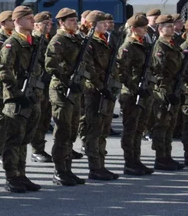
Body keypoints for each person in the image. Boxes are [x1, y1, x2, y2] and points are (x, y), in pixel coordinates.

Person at [0, 6, 43, 194]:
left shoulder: (32, 42)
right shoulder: (11, 44)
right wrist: (16, 93)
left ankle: (21, 174)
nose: (32, 21)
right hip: (17, 100)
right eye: (28, 18)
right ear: (17, 21)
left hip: (31, 97)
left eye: (32, 18)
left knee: (25, 139)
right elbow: (3, 71)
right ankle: (11, 176)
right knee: (13, 139)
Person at [44, 8, 90, 186]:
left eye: (75, 19)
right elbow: (51, 65)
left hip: (74, 89)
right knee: (62, 131)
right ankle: (59, 171)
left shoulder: (76, 39)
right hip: (62, 89)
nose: (75, 22)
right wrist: (67, 78)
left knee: (71, 131)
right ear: (61, 23)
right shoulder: (58, 40)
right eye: (70, 20)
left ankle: (68, 168)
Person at [78, 12, 120, 181]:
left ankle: (101, 164)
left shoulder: (105, 41)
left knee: (103, 129)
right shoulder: (88, 43)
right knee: (94, 130)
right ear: (91, 25)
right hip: (95, 91)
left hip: (106, 89)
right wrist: (101, 87)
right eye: (101, 23)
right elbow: (88, 69)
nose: (105, 25)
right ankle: (94, 167)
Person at [118, 14, 155, 176]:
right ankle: (129, 162)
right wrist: (135, 87)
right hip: (131, 93)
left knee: (139, 128)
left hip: (143, 91)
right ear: (133, 29)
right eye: (142, 27)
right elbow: (121, 72)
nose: (145, 30)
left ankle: (136, 159)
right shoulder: (128, 47)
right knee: (130, 128)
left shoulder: (145, 44)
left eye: (146, 27)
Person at [149, 14, 187, 171]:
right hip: (164, 92)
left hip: (174, 89)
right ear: (160, 29)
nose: (172, 28)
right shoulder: (160, 46)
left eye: (172, 25)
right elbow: (159, 73)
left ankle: (167, 155)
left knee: (170, 125)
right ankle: (161, 157)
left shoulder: (173, 44)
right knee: (162, 125)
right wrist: (167, 92)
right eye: (168, 26)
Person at [28, 12, 54, 163]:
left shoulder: (47, 40)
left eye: (50, 24)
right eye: (45, 24)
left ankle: (40, 148)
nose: (48, 26)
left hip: (47, 84)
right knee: (37, 119)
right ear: (36, 25)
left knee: (45, 118)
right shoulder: (35, 41)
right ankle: (36, 149)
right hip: (38, 85)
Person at [0, 10, 15, 167]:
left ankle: (6, 149)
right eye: (10, 20)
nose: (13, 22)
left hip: (10, 86)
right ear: (2, 23)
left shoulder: (13, 38)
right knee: (0, 119)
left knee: (9, 119)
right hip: (0, 86)